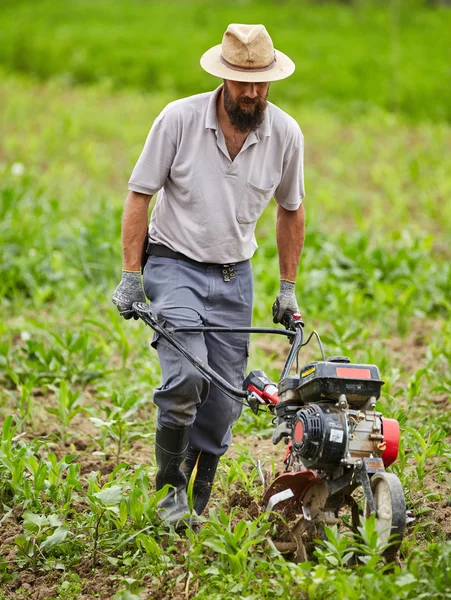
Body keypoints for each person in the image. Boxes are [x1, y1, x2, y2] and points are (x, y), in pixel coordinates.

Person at [112, 23, 305, 528]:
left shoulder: (284, 133)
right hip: (174, 264)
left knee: (223, 403)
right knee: (186, 377)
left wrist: (287, 286)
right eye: (243, 81)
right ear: (224, 77)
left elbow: (291, 209)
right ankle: (169, 495)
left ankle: (196, 502)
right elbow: (139, 194)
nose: (251, 92)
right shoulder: (178, 120)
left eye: (260, 81)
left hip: (235, 275)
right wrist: (132, 275)